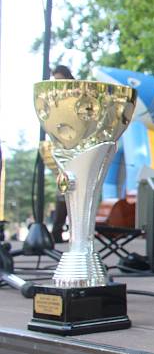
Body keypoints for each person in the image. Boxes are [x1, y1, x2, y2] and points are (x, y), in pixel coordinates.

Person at [50, 65, 74, 243]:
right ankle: (57, 231)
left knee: (74, 189)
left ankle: (74, 231)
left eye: (59, 79)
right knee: (62, 189)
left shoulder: (75, 93)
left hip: (75, 144)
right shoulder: (55, 96)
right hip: (61, 143)